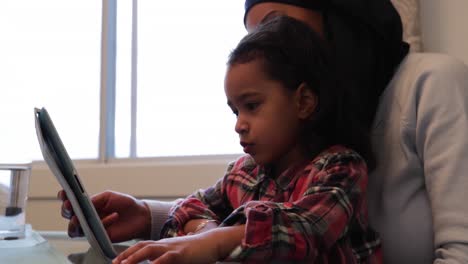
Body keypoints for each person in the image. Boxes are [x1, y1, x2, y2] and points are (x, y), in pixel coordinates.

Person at [60, 0, 468, 263]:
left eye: (276, 25)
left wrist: (218, 238)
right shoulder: (299, 130)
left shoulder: (429, 84)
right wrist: (150, 217)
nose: (268, 48)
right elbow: (235, 204)